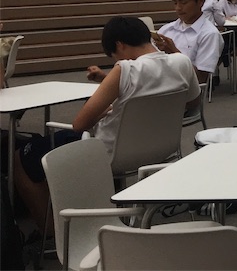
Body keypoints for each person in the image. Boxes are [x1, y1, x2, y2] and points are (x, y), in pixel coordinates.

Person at [13, 16, 200, 232]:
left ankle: (49, 232)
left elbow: (80, 124)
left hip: (110, 154)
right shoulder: (182, 62)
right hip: (163, 151)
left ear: (119, 45)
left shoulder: (125, 69)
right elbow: (192, 102)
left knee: (22, 157)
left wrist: (105, 112)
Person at [153, 0, 224, 84]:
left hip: (185, 90)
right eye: (175, 3)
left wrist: (174, 52)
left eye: (184, 2)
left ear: (201, 1)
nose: (178, 8)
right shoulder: (166, 30)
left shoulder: (209, 34)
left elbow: (201, 79)